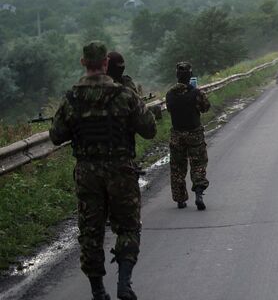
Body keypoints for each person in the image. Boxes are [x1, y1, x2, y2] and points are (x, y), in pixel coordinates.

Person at [49, 41, 157, 300]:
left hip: (87, 173)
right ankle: (124, 283)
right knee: (128, 226)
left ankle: (97, 290)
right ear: (106, 64)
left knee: (90, 230)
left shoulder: (72, 98)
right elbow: (149, 129)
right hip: (121, 169)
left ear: (83, 62)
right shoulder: (124, 95)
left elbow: (55, 135)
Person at [165, 62, 211, 210]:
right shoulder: (196, 93)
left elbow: (169, 109)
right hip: (194, 133)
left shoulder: (170, 94)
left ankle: (180, 199)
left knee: (177, 167)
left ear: (177, 76)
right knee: (198, 164)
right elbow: (206, 108)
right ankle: (198, 193)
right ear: (190, 75)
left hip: (177, 134)